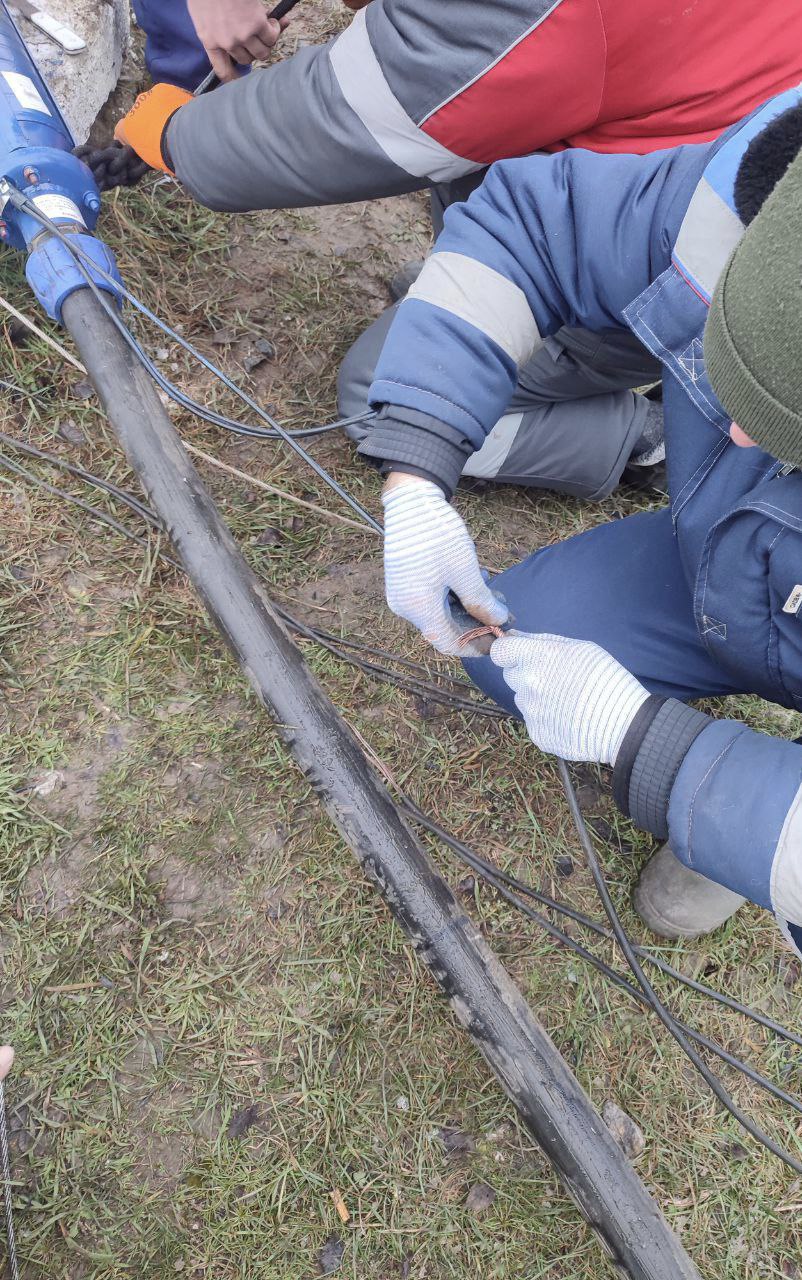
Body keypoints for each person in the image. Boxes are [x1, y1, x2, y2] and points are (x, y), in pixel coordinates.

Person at [361, 90, 802, 954]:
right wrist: (416, 471)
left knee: (764, 841)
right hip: (742, 560)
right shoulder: (764, 184)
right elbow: (533, 226)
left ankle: (748, 834)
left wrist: (652, 748)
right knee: (515, 649)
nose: (736, 430)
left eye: (791, 429)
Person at [113, 0, 802, 500]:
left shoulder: (526, 18)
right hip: (695, 170)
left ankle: (645, 437)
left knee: (381, 400)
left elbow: (358, 113)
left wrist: (183, 140)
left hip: (665, 272)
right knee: (480, 179)